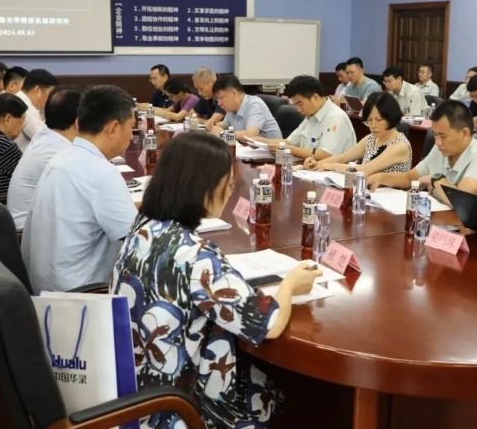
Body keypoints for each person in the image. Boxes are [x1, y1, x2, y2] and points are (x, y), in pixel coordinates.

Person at [110, 131, 321, 428]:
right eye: (228, 184)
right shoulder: (196, 256)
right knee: (282, 394)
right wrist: (290, 284)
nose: (231, 190)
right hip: (177, 405)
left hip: (134, 384)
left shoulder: (143, 225)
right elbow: (269, 325)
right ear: (202, 187)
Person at [22, 85, 138, 292]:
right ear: (113, 128)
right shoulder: (101, 172)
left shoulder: (63, 156)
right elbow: (138, 241)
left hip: (43, 287)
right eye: (131, 127)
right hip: (82, 295)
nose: (131, 136)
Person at [367, 100, 477, 205]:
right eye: (435, 135)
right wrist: (381, 177)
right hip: (448, 221)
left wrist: (434, 180)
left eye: (443, 136)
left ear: (464, 133)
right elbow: (409, 178)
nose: (437, 142)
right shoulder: (440, 149)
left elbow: (460, 198)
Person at [7, 86, 82, 230]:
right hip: (27, 231)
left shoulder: (47, 138)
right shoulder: (59, 151)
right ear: (78, 122)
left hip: (33, 225)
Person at [305, 92, 412, 176]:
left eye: (378, 120)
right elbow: (343, 158)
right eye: (369, 120)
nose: (373, 125)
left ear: (391, 118)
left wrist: (327, 166)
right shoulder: (371, 138)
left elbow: (365, 170)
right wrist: (317, 164)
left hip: (389, 195)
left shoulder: (400, 145)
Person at [249, 75, 356, 159]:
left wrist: (289, 149)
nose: (298, 109)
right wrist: (260, 141)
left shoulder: (336, 118)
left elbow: (325, 154)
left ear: (315, 97)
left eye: (300, 104)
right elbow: (288, 142)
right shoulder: (311, 116)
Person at [211, 75, 282, 139]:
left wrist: (222, 134)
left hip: (272, 149)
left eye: (220, 98)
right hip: (248, 148)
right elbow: (225, 124)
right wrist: (216, 127)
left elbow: (251, 135)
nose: (219, 103)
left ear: (234, 93)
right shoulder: (232, 108)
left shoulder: (254, 104)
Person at [14, 68, 58, 151]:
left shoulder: (19, 99)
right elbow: (46, 139)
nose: (50, 99)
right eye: (50, 94)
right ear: (37, 90)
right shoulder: (23, 105)